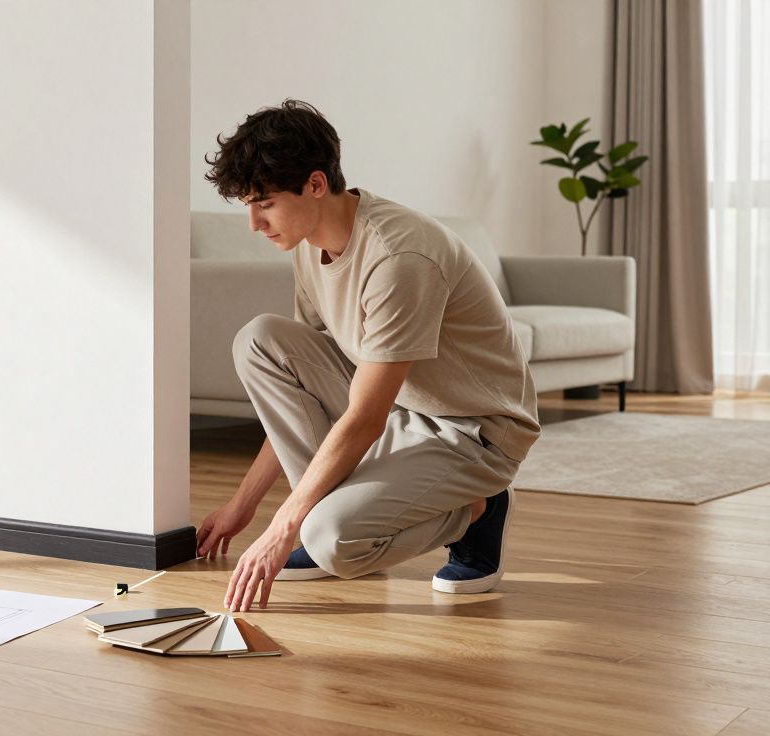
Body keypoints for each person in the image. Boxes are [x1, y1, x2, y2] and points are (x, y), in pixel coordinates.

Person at [196, 99, 541, 613]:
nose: (254, 223)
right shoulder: (310, 246)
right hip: (400, 409)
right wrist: (242, 506)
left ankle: (478, 509)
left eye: (264, 203)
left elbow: (364, 417)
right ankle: (330, 517)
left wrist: (284, 526)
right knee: (261, 339)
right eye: (247, 204)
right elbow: (298, 396)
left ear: (316, 184)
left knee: (333, 539)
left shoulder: (400, 257)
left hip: (474, 432)